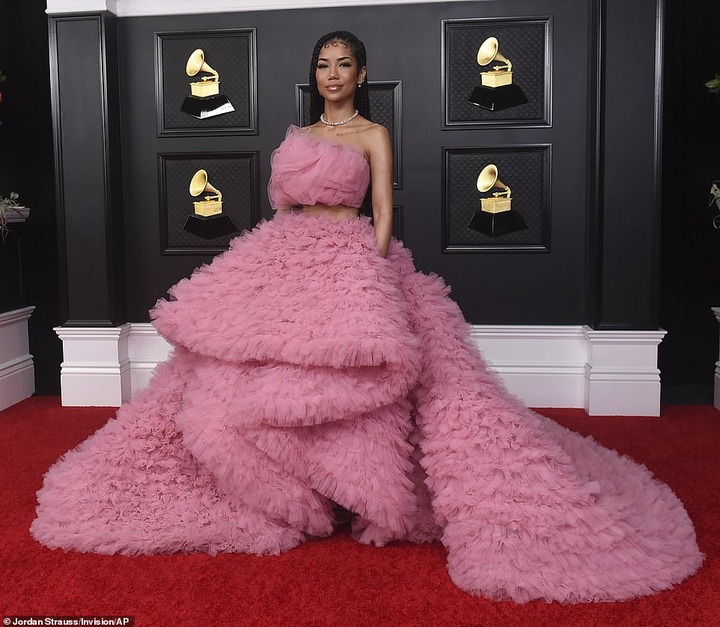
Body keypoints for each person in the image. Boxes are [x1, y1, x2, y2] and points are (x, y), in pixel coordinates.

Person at [31, 31, 702, 604]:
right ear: (316, 75)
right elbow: (283, 208)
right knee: (236, 373)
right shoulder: (300, 136)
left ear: (360, 74)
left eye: (343, 64)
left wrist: (369, 275)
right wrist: (277, 273)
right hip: (289, 256)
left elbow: (381, 211)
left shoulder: (373, 134)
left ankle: (358, 486)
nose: (332, 75)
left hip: (354, 259)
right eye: (323, 65)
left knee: (376, 371)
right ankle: (292, 488)